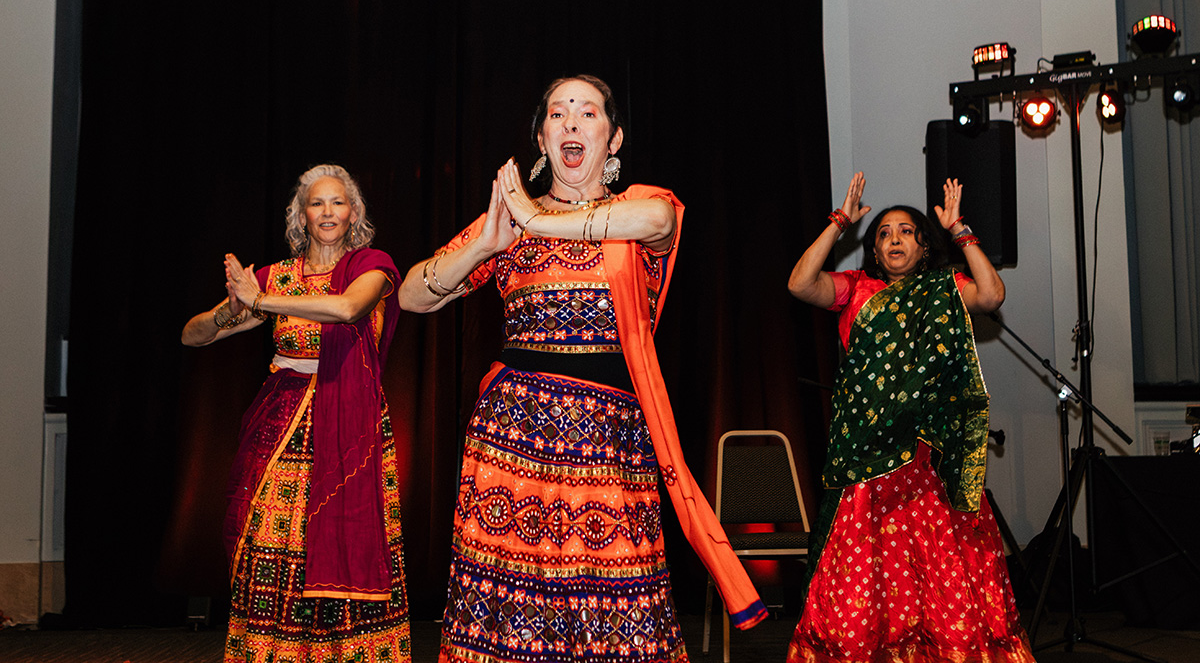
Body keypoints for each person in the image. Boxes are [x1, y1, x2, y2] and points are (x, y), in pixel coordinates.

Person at [398, 75, 765, 663]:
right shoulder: (509, 224)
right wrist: (484, 245)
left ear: (612, 140)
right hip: (510, 441)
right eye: (558, 114)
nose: (572, 122)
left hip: (610, 439)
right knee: (511, 610)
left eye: (587, 113)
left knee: (619, 605)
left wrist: (537, 222)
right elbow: (413, 296)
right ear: (542, 139)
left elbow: (657, 224)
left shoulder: (642, 207)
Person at [784, 172, 1035, 663]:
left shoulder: (944, 290)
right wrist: (840, 222)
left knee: (939, 572)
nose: (894, 239)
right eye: (883, 233)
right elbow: (799, 283)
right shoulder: (855, 289)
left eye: (906, 232)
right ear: (875, 252)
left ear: (924, 248)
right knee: (864, 580)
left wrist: (959, 229)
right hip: (868, 464)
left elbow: (991, 295)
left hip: (931, 462)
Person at [182, 164, 411, 663]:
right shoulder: (276, 277)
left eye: (337, 203)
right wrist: (232, 308)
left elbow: (347, 309)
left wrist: (262, 300)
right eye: (316, 203)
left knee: (347, 543)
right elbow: (193, 335)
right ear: (301, 215)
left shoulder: (371, 267)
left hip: (351, 431)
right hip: (282, 425)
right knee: (272, 543)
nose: (327, 212)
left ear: (353, 214)